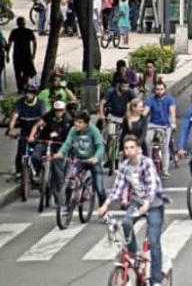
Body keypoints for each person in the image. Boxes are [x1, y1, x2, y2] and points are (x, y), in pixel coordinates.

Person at [97, 135, 170, 286]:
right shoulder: (124, 166)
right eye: (126, 148)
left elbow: (152, 186)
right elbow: (117, 188)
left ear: (138, 149)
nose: (129, 151)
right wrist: (106, 205)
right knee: (126, 223)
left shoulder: (147, 163)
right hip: (137, 202)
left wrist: (148, 204)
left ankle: (156, 280)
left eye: (132, 148)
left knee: (154, 241)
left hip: (154, 203)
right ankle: (134, 254)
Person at [54, 110, 106, 208]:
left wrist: (96, 157)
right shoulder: (73, 130)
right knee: (70, 180)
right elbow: (67, 143)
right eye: (76, 121)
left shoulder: (94, 130)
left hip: (93, 160)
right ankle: (68, 206)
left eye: (80, 122)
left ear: (86, 123)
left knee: (99, 187)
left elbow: (100, 147)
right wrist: (61, 153)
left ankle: (103, 210)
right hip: (79, 160)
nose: (77, 124)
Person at [28, 100, 71, 205]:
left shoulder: (68, 120)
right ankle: (38, 174)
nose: (58, 112)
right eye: (56, 110)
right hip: (44, 142)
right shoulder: (48, 116)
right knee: (35, 156)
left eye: (60, 110)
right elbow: (36, 125)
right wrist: (31, 136)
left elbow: (71, 136)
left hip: (59, 145)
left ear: (64, 110)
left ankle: (58, 198)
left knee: (58, 172)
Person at [7, 83, 46, 180]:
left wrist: (39, 130)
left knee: (37, 153)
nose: (28, 94)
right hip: (25, 130)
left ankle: (38, 170)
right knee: (21, 151)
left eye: (30, 92)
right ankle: (19, 171)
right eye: (26, 92)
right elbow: (14, 116)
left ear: (34, 94)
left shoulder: (41, 104)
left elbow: (43, 119)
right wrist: (11, 129)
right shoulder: (20, 103)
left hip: (38, 131)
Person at [144, 81, 177, 178]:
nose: (159, 91)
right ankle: (149, 166)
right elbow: (145, 111)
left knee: (165, 147)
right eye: (157, 89)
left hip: (165, 126)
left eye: (161, 89)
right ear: (154, 90)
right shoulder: (150, 99)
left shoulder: (170, 100)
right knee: (147, 142)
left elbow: (172, 112)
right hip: (152, 125)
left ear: (164, 89)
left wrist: (173, 124)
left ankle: (165, 171)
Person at [7, 17, 37, 92]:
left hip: (21, 55)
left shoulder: (16, 31)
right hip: (23, 55)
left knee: (21, 72)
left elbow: (9, 44)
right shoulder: (27, 31)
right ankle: (22, 86)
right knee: (24, 72)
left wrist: (7, 54)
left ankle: (21, 87)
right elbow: (34, 42)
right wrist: (33, 54)